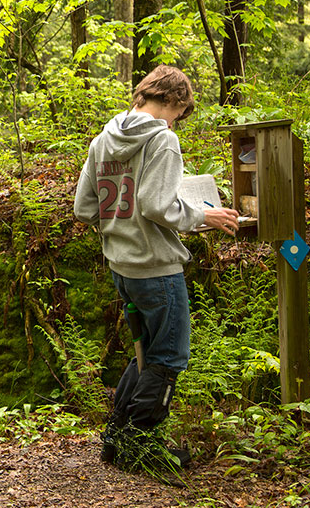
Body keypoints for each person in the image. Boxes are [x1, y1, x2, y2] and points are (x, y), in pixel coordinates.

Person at [72, 65, 239, 471]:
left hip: (121, 266)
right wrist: (205, 216)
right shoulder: (163, 140)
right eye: (180, 112)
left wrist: (121, 227)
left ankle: (116, 439)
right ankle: (142, 447)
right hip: (157, 268)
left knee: (144, 353)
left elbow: (84, 208)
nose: (178, 119)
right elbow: (156, 205)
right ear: (174, 102)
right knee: (167, 357)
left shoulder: (102, 140)